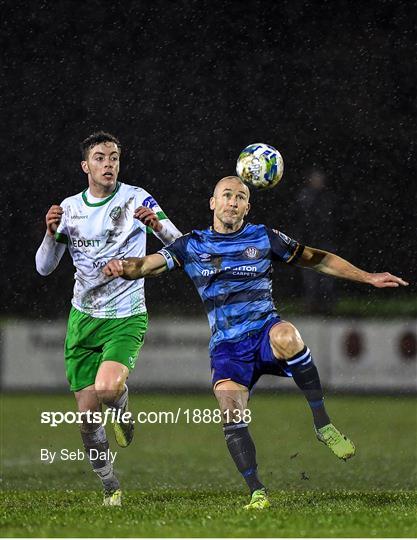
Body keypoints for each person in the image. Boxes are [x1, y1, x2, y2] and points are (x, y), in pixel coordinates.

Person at [103, 175, 408, 510]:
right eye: (227, 195)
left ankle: (323, 425)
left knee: (287, 334)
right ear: (212, 203)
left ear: (248, 207)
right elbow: (148, 265)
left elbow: (318, 259)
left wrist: (368, 277)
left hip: (264, 333)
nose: (233, 201)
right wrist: (124, 266)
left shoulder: (264, 238)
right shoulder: (192, 245)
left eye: (240, 197)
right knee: (230, 413)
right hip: (228, 350)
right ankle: (257, 492)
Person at [35, 131, 182, 506]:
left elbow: (180, 247)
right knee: (86, 417)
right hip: (82, 318)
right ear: (86, 166)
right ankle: (109, 485)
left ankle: (122, 408)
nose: (109, 164)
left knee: (108, 388)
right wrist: (51, 235)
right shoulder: (69, 209)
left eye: (114, 157)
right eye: (100, 158)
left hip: (125, 315)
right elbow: (44, 268)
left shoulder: (137, 199)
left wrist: (158, 226)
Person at [296, 169, 337, 313]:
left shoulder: (327, 198)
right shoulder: (304, 197)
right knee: (310, 277)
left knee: (327, 276)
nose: (318, 182)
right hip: (309, 243)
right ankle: (311, 305)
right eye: (315, 179)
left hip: (324, 242)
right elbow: (301, 220)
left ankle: (327, 305)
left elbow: (330, 221)